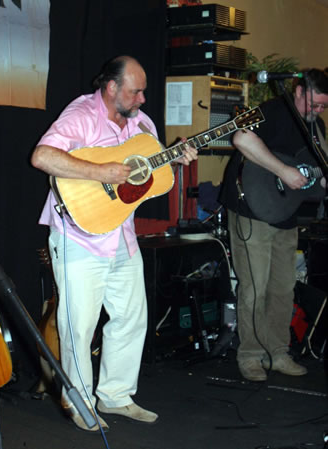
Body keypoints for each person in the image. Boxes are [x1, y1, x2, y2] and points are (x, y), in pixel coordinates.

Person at [31, 55, 198, 431]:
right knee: (79, 327)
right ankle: (79, 403)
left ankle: (116, 395)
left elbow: (148, 178)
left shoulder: (142, 125)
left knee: (131, 317)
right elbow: (42, 156)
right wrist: (99, 171)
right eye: (135, 91)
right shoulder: (82, 115)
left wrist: (176, 161)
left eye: (142, 92)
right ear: (111, 87)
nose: (141, 99)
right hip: (79, 237)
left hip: (121, 234)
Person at [219, 68, 328, 382]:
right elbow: (241, 138)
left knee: (283, 287)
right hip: (251, 208)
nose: (317, 111)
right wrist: (282, 170)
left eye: (323, 107)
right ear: (297, 91)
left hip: (286, 213)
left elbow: (314, 170)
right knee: (254, 288)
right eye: (313, 104)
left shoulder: (315, 126)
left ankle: (278, 352)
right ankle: (250, 355)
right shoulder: (272, 111)